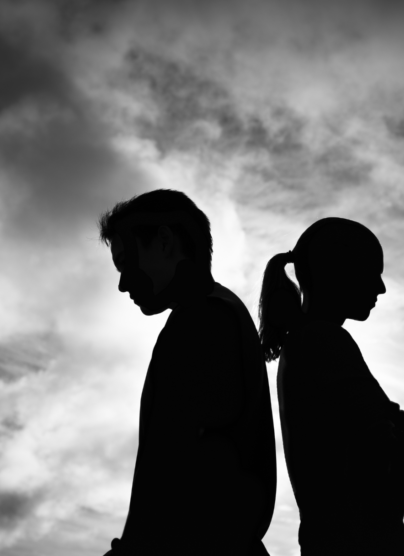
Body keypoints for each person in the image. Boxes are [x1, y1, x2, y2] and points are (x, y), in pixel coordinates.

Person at [99, 189, 276, 556]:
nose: (122, 283)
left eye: (126, 262)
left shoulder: (202, 322)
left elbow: (177, 469)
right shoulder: (218, 313)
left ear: (164, 242)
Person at [258, 218, 404, 555]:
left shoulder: (304, 343)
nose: (380, 288)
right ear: (337, 272)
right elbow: (399, 457)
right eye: (371, 272)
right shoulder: (325, 341)